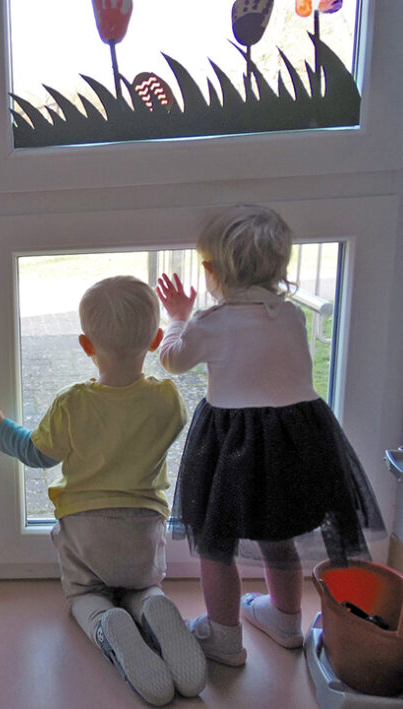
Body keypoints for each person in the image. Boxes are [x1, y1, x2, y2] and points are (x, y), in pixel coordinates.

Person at [156, 204, 385, 667]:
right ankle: (285, 620)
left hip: (231, 447)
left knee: (215, 546)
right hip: (294, 442)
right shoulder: (292, 317)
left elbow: (173, 360)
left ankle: (224, 637)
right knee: (278, 533)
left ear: (211, 270)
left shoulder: (210, 323)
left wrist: (178, 316)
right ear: (281, 269)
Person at [0, 276, 206, 707]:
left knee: (85, 595)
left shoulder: (73, 402)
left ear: (86, 345)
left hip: (85, 531)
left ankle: (107, 624)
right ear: (155, 340)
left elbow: (36, 453)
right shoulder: (168, 400)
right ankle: (152, 605)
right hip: (143, 527)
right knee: (142, 586)